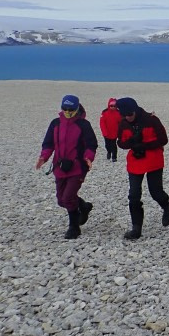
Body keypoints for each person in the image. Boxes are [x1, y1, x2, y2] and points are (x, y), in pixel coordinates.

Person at [35, 94, 98, 239]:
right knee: (61, 200)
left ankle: (74, 227)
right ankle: (83, 206)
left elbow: (91, 144)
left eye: (71, 109)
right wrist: (44, 157)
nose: (68, 112)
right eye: (65, 109)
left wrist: (88, 158)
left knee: (68, 197)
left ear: (77, 109)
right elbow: (48, 143)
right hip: (60, 166)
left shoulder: (83, 125)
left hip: (78, 167)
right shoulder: (55, 123)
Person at [115, 97, 169, 240]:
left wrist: (145, 145)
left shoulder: (151, 120)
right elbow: (120, 142)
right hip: (135, 161)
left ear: (135, 110)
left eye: (130, 114)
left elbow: (163, 140)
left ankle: (167, 206)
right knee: (134, 195)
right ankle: (136, 228)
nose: (128, 118)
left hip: (153, 160)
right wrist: (130, 143)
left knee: (155, 191)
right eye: (125, 115)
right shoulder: (123, 123)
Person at [99, 97, 121, 162]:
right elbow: (102, 123)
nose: (113, 107)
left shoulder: (118, 113)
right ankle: (109, 152)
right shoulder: (104, 112)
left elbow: (121, 123)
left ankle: (114, 157)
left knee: (114, 145)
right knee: (107, 145)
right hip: (106, 133)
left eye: (114, 106)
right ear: (109, 105)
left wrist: (119, 132)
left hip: (115, 132)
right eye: (111, 106)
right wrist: (104, 132)